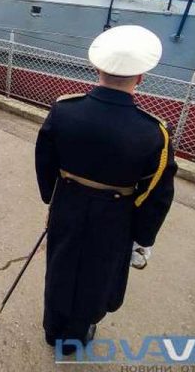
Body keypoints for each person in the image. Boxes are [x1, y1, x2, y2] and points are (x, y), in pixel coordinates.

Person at [34, 25, 176, 351]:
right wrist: (144, 237)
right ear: (140, 77)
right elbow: (157, 193)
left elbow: (45, 158)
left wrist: (51, 197)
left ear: (97, 68)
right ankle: (73, 338)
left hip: (67, 203)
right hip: (115, 216)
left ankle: (52, 329)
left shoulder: (64, 109)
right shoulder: (154, 132)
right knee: (96, 275)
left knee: (60, 265)